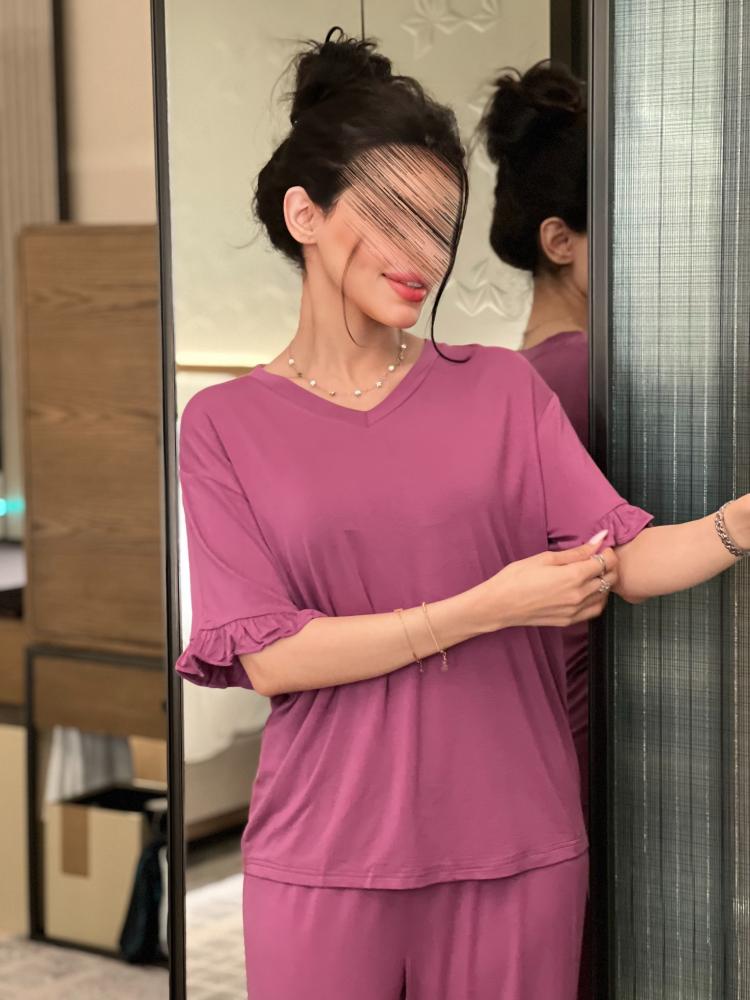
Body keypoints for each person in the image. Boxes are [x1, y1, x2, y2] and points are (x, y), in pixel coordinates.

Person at [174, 30, 750, 1000]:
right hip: (323, 856)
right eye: (394, 217)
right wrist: (488, 606)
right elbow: (272, 656)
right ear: (304, 213)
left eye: (440, 228)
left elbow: (625, 557)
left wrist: (738, 521)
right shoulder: (224, 425)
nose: (423, 256)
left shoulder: (501, 391)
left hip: (517, 850)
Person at [480, 58, 592, 1000]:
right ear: (560, 239)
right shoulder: (587, 374)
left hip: (525, 731)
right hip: (597, 729)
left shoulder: (512, 381)